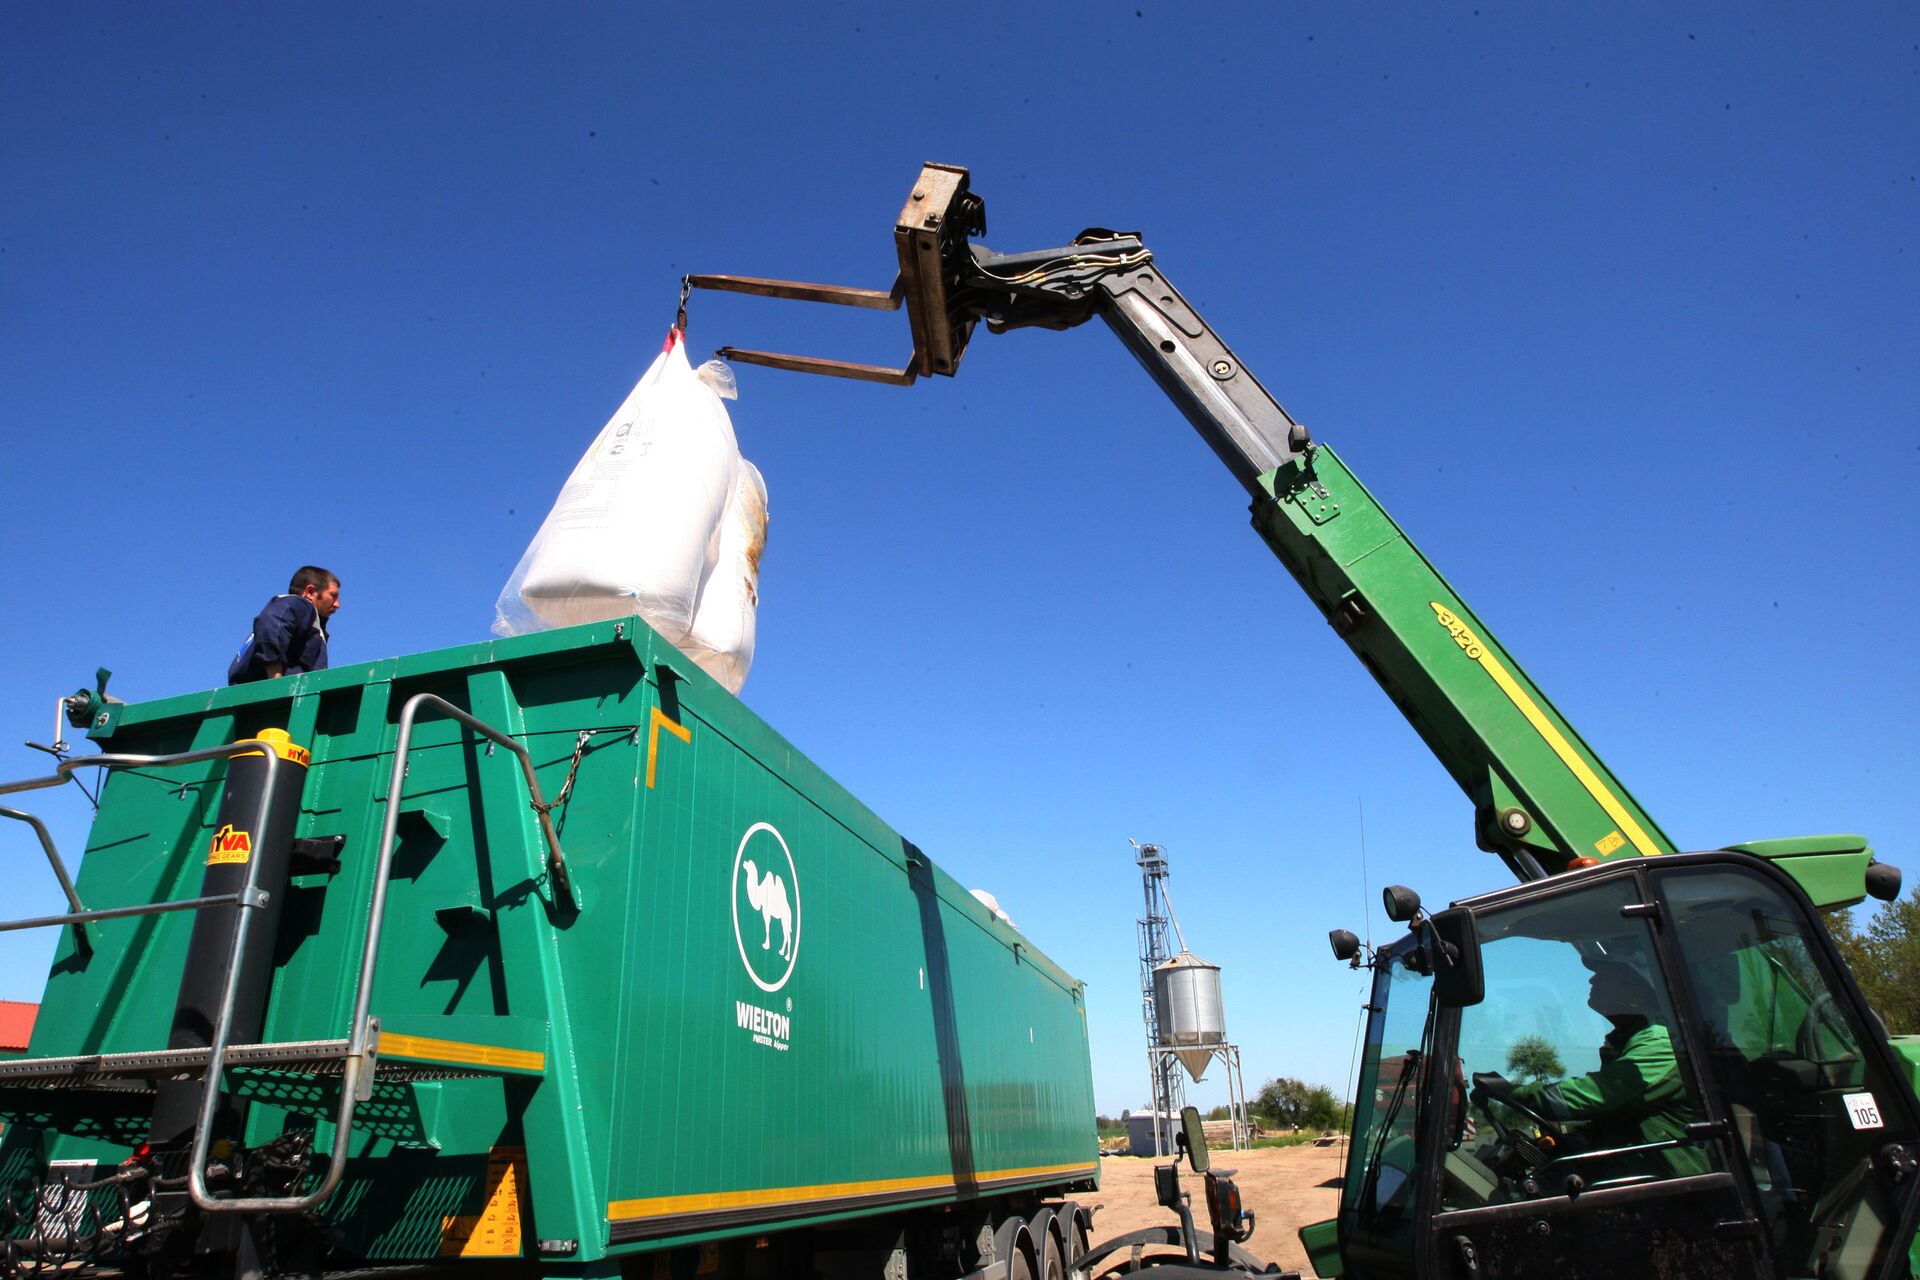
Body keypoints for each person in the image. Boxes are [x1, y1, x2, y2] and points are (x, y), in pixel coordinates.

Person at [1474, 955, 1706, 1177]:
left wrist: (1513, 1093)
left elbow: (1596, 1094)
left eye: (1607, 975)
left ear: (1638, 989)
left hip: (1671, 1184)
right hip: (1639, 1170)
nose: (1592, 979)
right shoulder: (1626, 1042)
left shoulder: (1659, 1041)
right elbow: (1619, 1118)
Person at [228, 567, 340, 684]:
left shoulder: (303, 621)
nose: (337, 604)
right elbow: (272, 620)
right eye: (333, 596)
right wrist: (276, 681)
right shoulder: (301, 606)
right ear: (310, 593)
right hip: (272, 695)